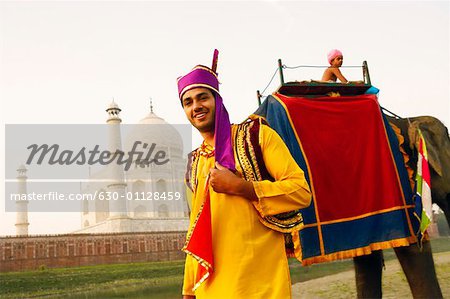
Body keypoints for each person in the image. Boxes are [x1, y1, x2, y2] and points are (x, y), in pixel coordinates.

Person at [178, 51, 312, 299]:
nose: (196, 106)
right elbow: (195, 230)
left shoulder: (256, 136)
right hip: (211, 288)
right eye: (188, 102)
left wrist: (243, 188)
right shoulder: (194, 163)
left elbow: (301, 192)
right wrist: (188, 290)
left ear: (217, 99)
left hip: (260, 284)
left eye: (202, 97)